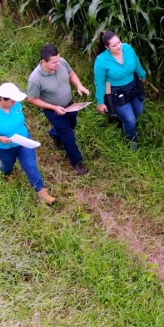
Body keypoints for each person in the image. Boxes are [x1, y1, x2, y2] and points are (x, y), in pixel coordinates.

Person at [28, 44, 90, 176]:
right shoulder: (35, 79)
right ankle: (77, 162)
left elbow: (71, 73)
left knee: (71, 125)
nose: (58, 64)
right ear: (44, 61)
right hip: (54, 111)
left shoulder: (61, 62)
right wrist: (54, 107)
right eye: (54, 62)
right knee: (68, 135)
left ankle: (55, 134)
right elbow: (32, 99)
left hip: (70, 105)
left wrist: (79, 85)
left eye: (58, 60)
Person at [0, 82, 56, 204]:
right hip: (4, 147)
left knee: (30, 166)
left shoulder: (16, 104)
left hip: (23, 140)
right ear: (2, 99)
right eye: (12, 101)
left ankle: (42, 192)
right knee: (8, 165)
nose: (15, 103)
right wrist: (1, 138)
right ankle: (6, 173)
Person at [94, 31, 147, 149]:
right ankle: (133, 141)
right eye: (114, 45)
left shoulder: (127, 48)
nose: (118, 47)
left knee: (139, 111)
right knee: (130, 120)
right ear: (107, 47)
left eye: (119, 42)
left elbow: (137, 62)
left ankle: (119, 119)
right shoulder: (101, 61)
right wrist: (100, 102)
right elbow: (100, 82)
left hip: (133, 87)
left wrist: (142, 75)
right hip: (117, 92)